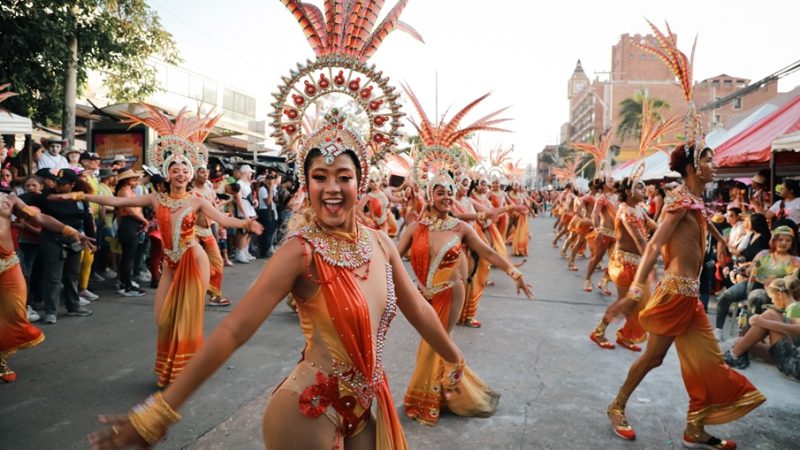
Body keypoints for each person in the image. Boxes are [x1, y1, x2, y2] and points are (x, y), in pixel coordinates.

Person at [53, 105, 262, 388]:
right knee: (163, 318)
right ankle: (172, 368)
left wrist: (246, 224)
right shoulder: (155, 199)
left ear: (190, 173)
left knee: (186, 319)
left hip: (193, 259)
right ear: (166, 172)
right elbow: (118, 202)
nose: (180, 173)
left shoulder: (197, 201)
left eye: (185, 169)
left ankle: (182, 373)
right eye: (175, 169)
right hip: (170, 263)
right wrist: (79, 195)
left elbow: (223, 218)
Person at [604, 142, 764, 447]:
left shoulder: (694, 201)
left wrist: (723, 244)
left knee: (709, 362)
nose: (714, 165)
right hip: (674, 293)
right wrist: (634, 292)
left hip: (691, 299)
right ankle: (617, 406)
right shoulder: (678, 201)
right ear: (692, 168)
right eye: (708, 160)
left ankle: (694, 427)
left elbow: (703, 222)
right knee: (653, 358)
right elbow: (653, 245)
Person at [397, 154, 533, 425]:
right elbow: (393, 260)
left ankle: (428, 399)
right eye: (440, 192)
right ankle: (449, 392)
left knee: (433, 344)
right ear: (429, 195)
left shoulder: (460, 227)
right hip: (422, 295)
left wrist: (514, 272)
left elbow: (488, 252)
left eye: (450, 192)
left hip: (452, 292)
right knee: (433, 345)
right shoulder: (414, 228)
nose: (447, 196)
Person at [0, 188, 93, 382]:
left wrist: (70, 230)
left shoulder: (10, 199)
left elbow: (39, 218)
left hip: (7, 264)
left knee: (14, 314)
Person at [21, 169, 95, 324]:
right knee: (53, 277)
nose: (58, 186)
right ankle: (50, 311)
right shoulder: (46, 196)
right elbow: (24, 198)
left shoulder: (80, 199)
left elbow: (88, 220)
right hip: (52, 239)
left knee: (72, 275)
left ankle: (73, 305)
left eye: (63, 184)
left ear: (72, 184)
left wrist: (93, 241)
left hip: (76, 239)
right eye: (57, 182)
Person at [590, 177, 656, 352]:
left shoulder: (639, 210)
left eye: (643, 189)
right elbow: (639, 240)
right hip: (624, 265)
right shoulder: (626, 211)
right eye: (640, 189)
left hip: (636, 264)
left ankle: (625, 336)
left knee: (633, 303)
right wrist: (652, 264)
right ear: (628, 192)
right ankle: (599, 331)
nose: (644, 192)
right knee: (626, 302)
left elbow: (655, 226)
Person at [723, 270, 800, 378]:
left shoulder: (795, 307)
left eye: (773, 298)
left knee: (769, 316)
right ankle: (736, 351)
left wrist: (763, 322)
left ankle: (734, 354)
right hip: (794, 357)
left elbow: (796, 331)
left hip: (795, 363)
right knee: (744, 342)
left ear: (780, 294)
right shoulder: (794, 307)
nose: (773, 301)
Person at [192, 166, 229, 306]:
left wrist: (220, 223)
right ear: (195, 174)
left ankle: (214, 294)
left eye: (207, 172)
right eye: (202, 172)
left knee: (217, 261)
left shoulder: (209, 190)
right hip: (192, 231)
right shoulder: (190, 192)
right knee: (193, 264)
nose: (205, 174)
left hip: (208, 229)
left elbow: (215, 209)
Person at [234, 164, 258, 263]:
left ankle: (245, 251)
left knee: (249, 233)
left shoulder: (247, 184)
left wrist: (255, 200)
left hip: (251, 209)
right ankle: (240, 253)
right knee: (243, 233)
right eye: (250, 172)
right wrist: (244, 213)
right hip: (244, 212)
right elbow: (239, 200)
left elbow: (251, 196)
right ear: (245, 172)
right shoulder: (238, 184)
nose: (251, 174)